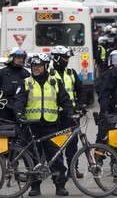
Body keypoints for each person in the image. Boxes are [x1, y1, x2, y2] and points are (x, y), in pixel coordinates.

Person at [14, 52, 75, 196]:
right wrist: (19, 113)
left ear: (45, 66)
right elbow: (19, 101)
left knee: (56, 157)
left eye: (39, 65)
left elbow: (65, 100)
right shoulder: (26, 82)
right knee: (32, 158)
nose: (36, 68)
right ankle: (35, 187)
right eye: (33, 65)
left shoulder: (55, 82)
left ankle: (60, 186)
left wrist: (70, 112)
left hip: (51, 125)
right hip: (31, 125)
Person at [50, 45, 87, 179]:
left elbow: (81, 89)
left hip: (70, 114)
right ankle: (58, 171)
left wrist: (81, 104)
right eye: (65, 58)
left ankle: (73, 169)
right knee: (56, 144)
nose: (67, 60)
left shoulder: (71, 72)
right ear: (56, 58)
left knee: (72, 143)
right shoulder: (48, 73)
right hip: (54, 115)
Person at [0, 47, 30, 121]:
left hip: (21, 111)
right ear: (11, 58)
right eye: (18, 57)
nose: (21, 60)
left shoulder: (26, 74)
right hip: (4, 110)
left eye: (22, 58)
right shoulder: (2, 73)